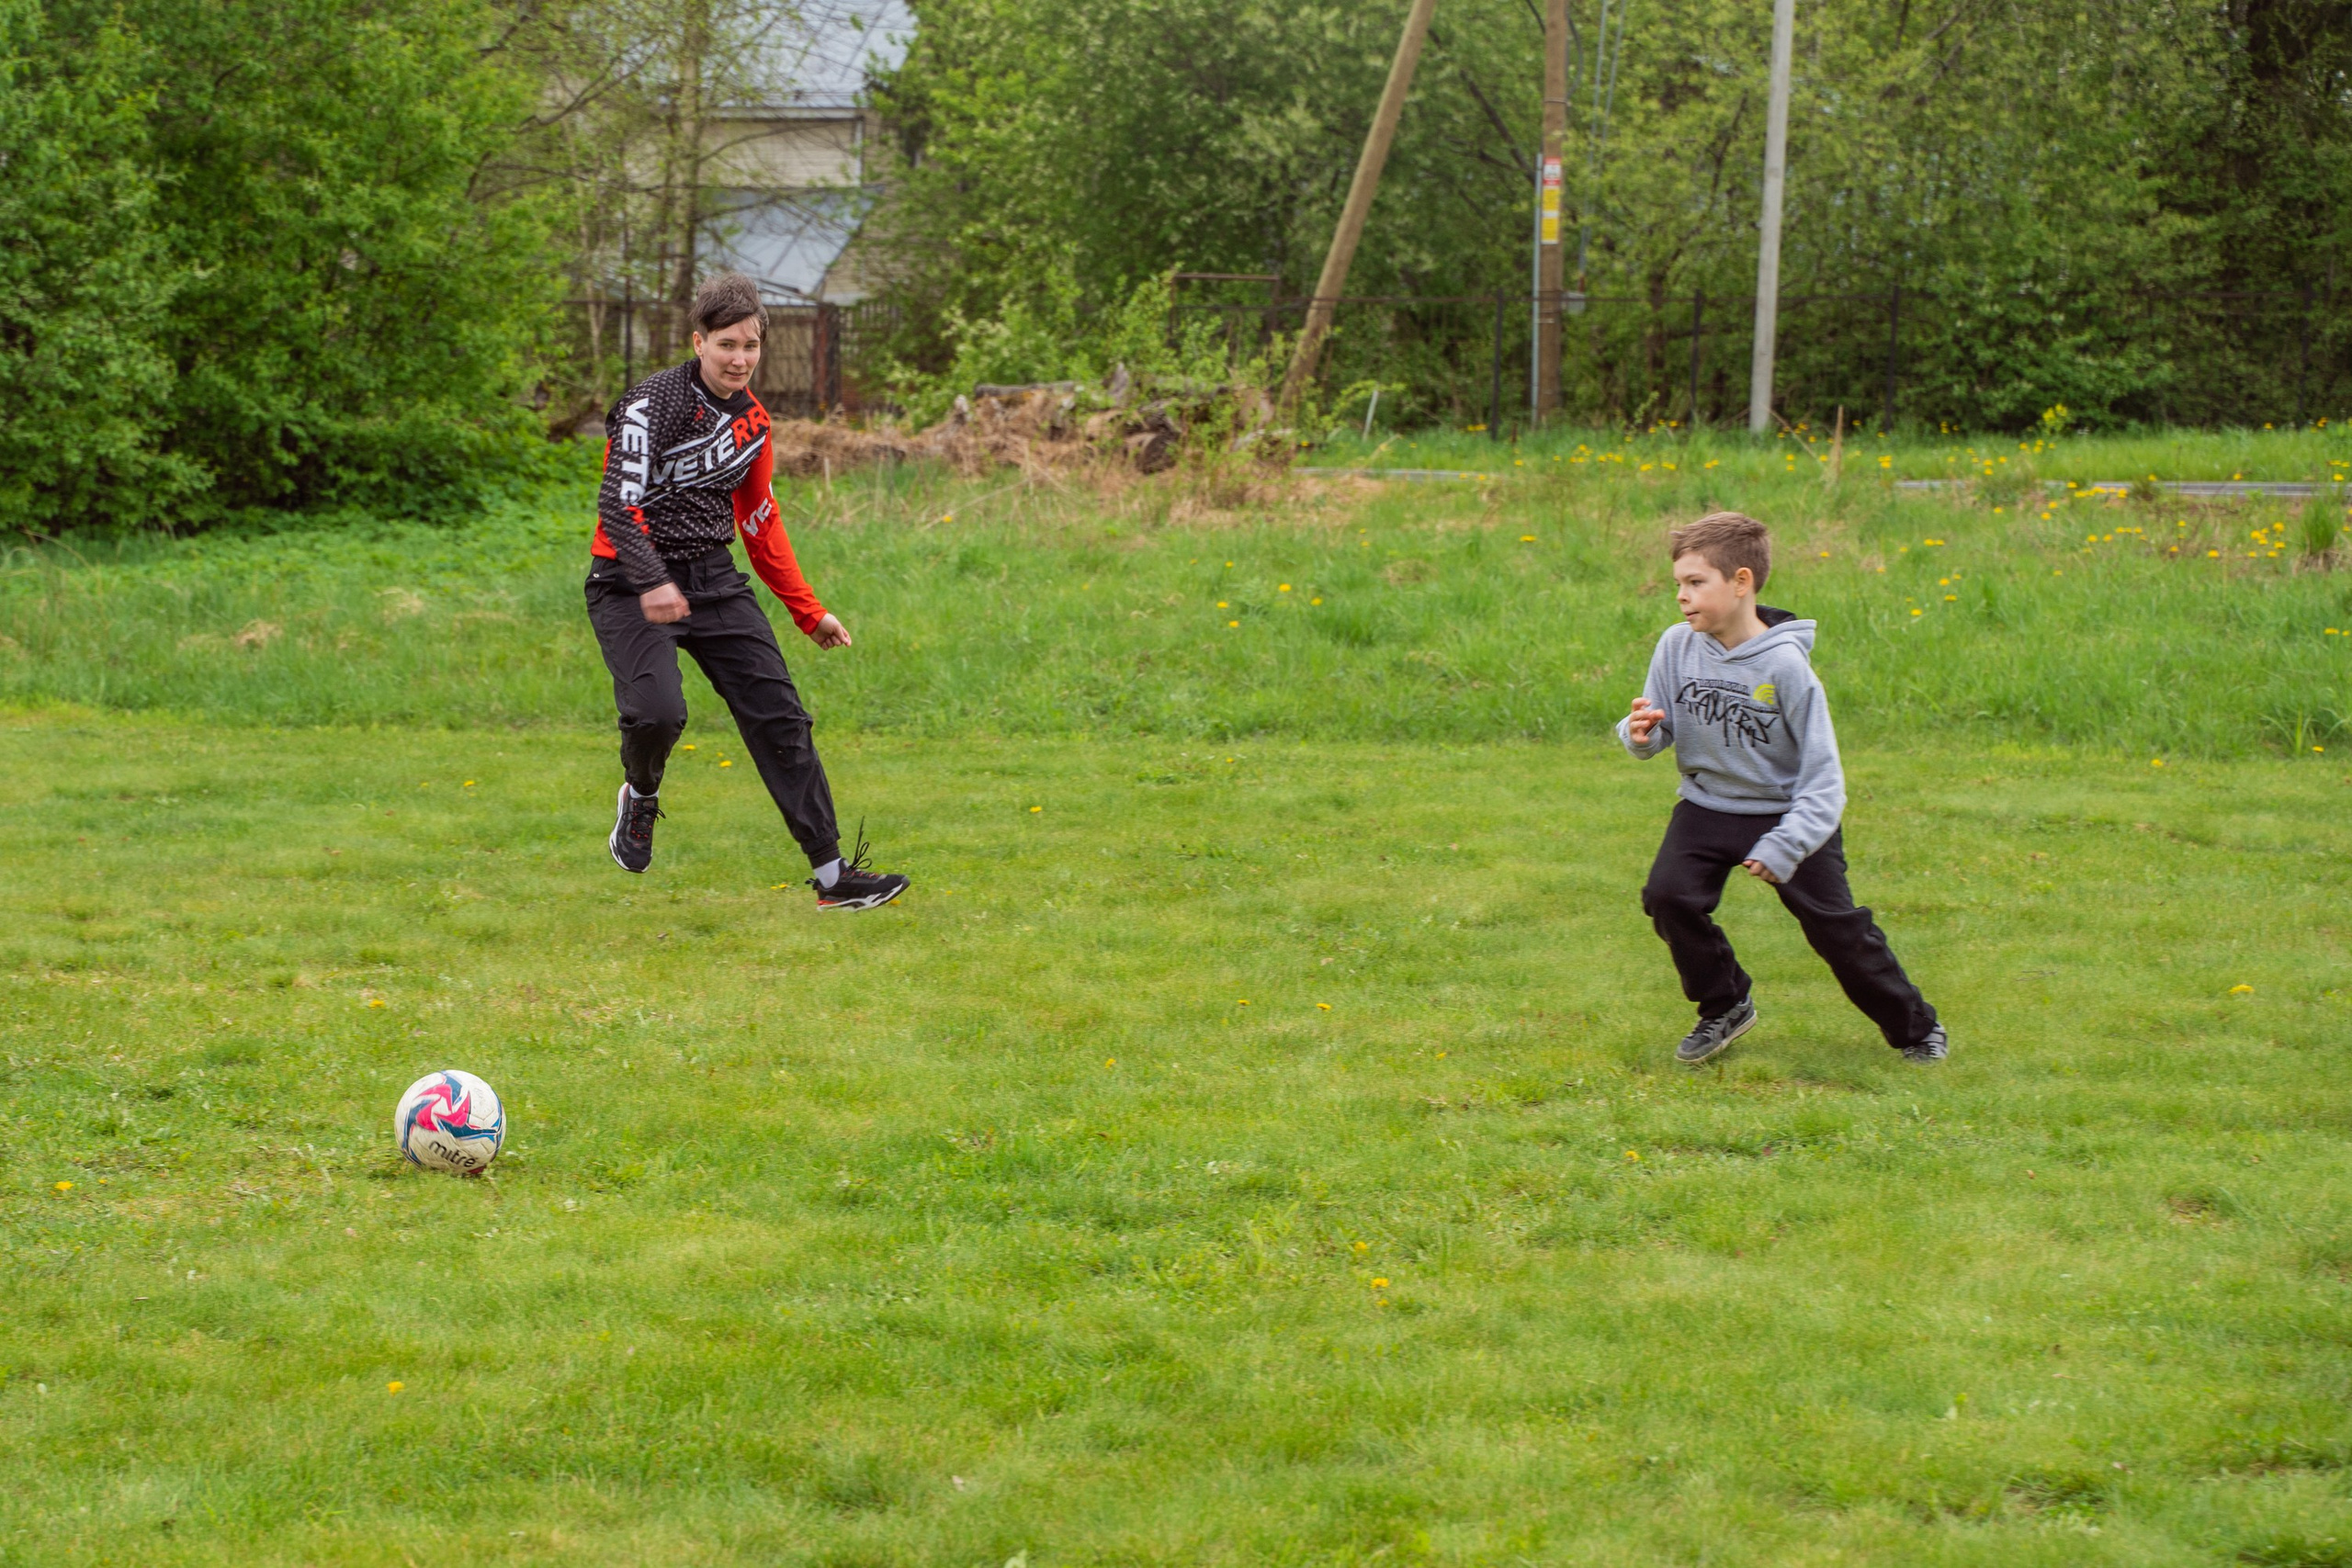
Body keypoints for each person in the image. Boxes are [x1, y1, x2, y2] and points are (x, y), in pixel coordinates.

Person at [584, 271, 908, 911]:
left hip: (712, 580)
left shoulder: (753, 423)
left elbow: (760, 521)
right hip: (627, 580)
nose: (740, 359)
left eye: (750, 346)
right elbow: (619, 509)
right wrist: (651, 581)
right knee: (658, 713)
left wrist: (808, 612)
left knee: (781, 719)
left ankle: (833, 876)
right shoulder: (652, 405)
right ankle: (640, 796)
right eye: (727, 344)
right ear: (698, 341)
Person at [1618, 511, 1943, 1066]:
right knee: (1668, 897)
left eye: (1696, 583)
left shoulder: (1788, 668)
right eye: (1679, 584)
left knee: (1837, 932)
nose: (1682, 596)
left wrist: (1785, 844)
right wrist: (1640, 733)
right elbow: (1656, 725)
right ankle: (1725, 1004)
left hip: (1786, 814)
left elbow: (1824, 783)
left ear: (1741, 582)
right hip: (1707, 804)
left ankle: (1917, 1030)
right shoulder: (1676, 646)